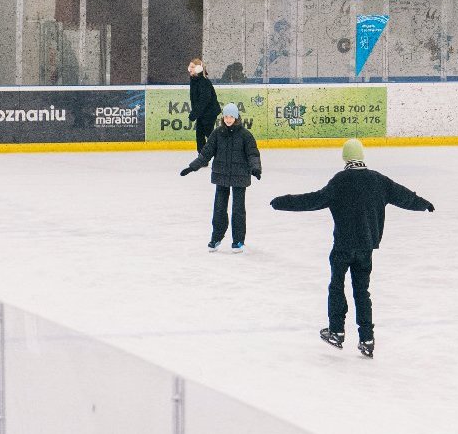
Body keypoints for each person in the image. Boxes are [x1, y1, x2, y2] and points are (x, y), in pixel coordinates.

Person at [270, 138, 434, 360]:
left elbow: (313, 200)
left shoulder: (340, 181)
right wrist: (423, 203)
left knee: (337, 286)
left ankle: (336, 331)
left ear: (345, 158)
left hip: (343, 246)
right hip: (366, 247)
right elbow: (403, 196)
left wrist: (283, 202)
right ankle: (367, 338)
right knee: (362, 291)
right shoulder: (378, 180)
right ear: (362, 156)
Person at [180, 103, 261, 252]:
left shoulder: (245, 135)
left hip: (239, 176)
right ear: (222, 117)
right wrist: (193, 167)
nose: (228, 119)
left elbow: (252, 154)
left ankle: (238, 241)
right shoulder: (217, 133)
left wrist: (255, 168)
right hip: (221, 175)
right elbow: (206, 153)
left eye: (231, 116)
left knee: (238, 209)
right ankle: (216, 238)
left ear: (236, 117)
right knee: (219, 208)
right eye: (226, 116)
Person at [187, 58, 220, 153]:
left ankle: (221, 154)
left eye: (192, 67)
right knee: (200, 135)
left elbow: (204, 100)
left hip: (209, 112)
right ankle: (203, 157)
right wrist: (196, 113)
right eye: (190, 67)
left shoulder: (203, 82)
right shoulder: (194, 80)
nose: (190, 69)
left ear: (198, 69)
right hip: (202, 113)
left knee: (209, 135)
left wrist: (194, 113)